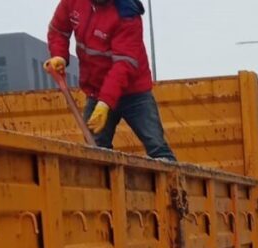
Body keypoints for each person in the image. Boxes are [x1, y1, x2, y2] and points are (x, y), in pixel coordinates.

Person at [45, 0, 175, 160]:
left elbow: (124, 65)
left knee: (157, 148)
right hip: (96, 91)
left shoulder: (127, 14)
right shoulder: (73, 2)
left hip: (134, 93)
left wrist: (105, 102)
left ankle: (172, 180)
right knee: (96, 153)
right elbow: (58, 30)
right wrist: (59, 56)